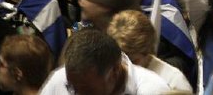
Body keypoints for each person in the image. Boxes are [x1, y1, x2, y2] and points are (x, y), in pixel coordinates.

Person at [39, 28, 169, 94]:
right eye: (71, 88)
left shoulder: (153, 91)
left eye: (87, 91)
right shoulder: (60, 79)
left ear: (114, 72)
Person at [106, 10, 191, 92]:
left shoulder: (174, 82)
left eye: (132, 61)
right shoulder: (108, 73)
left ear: (148, 52)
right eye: (120, 59)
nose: (124, 66)